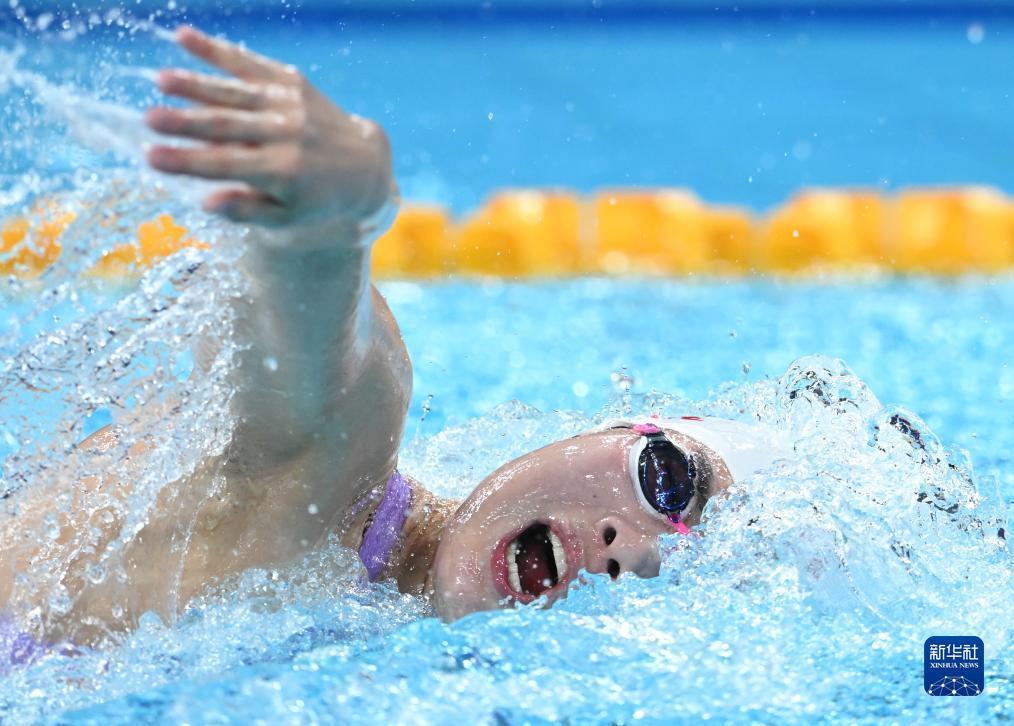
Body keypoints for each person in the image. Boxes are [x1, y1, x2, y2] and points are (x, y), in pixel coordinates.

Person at [0, 27, 793, 647]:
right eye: (669, 484)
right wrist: (334, 219)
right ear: (612, 429)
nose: (628, 553)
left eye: (663, 579)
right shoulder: (331, 481)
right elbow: (323, 367)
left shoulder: (369, 618)